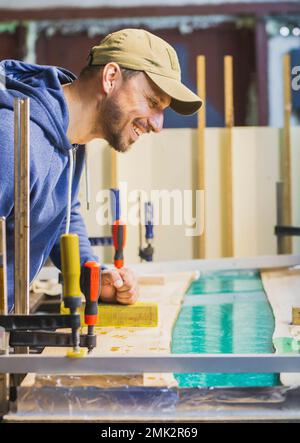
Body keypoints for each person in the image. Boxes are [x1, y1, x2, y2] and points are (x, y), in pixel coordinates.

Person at [0, 28, 202, 312]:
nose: (158, 125)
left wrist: (91, 273)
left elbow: (60, 214)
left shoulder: (69, 140)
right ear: (110, 78)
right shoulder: (11, 137)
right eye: (153, 102)